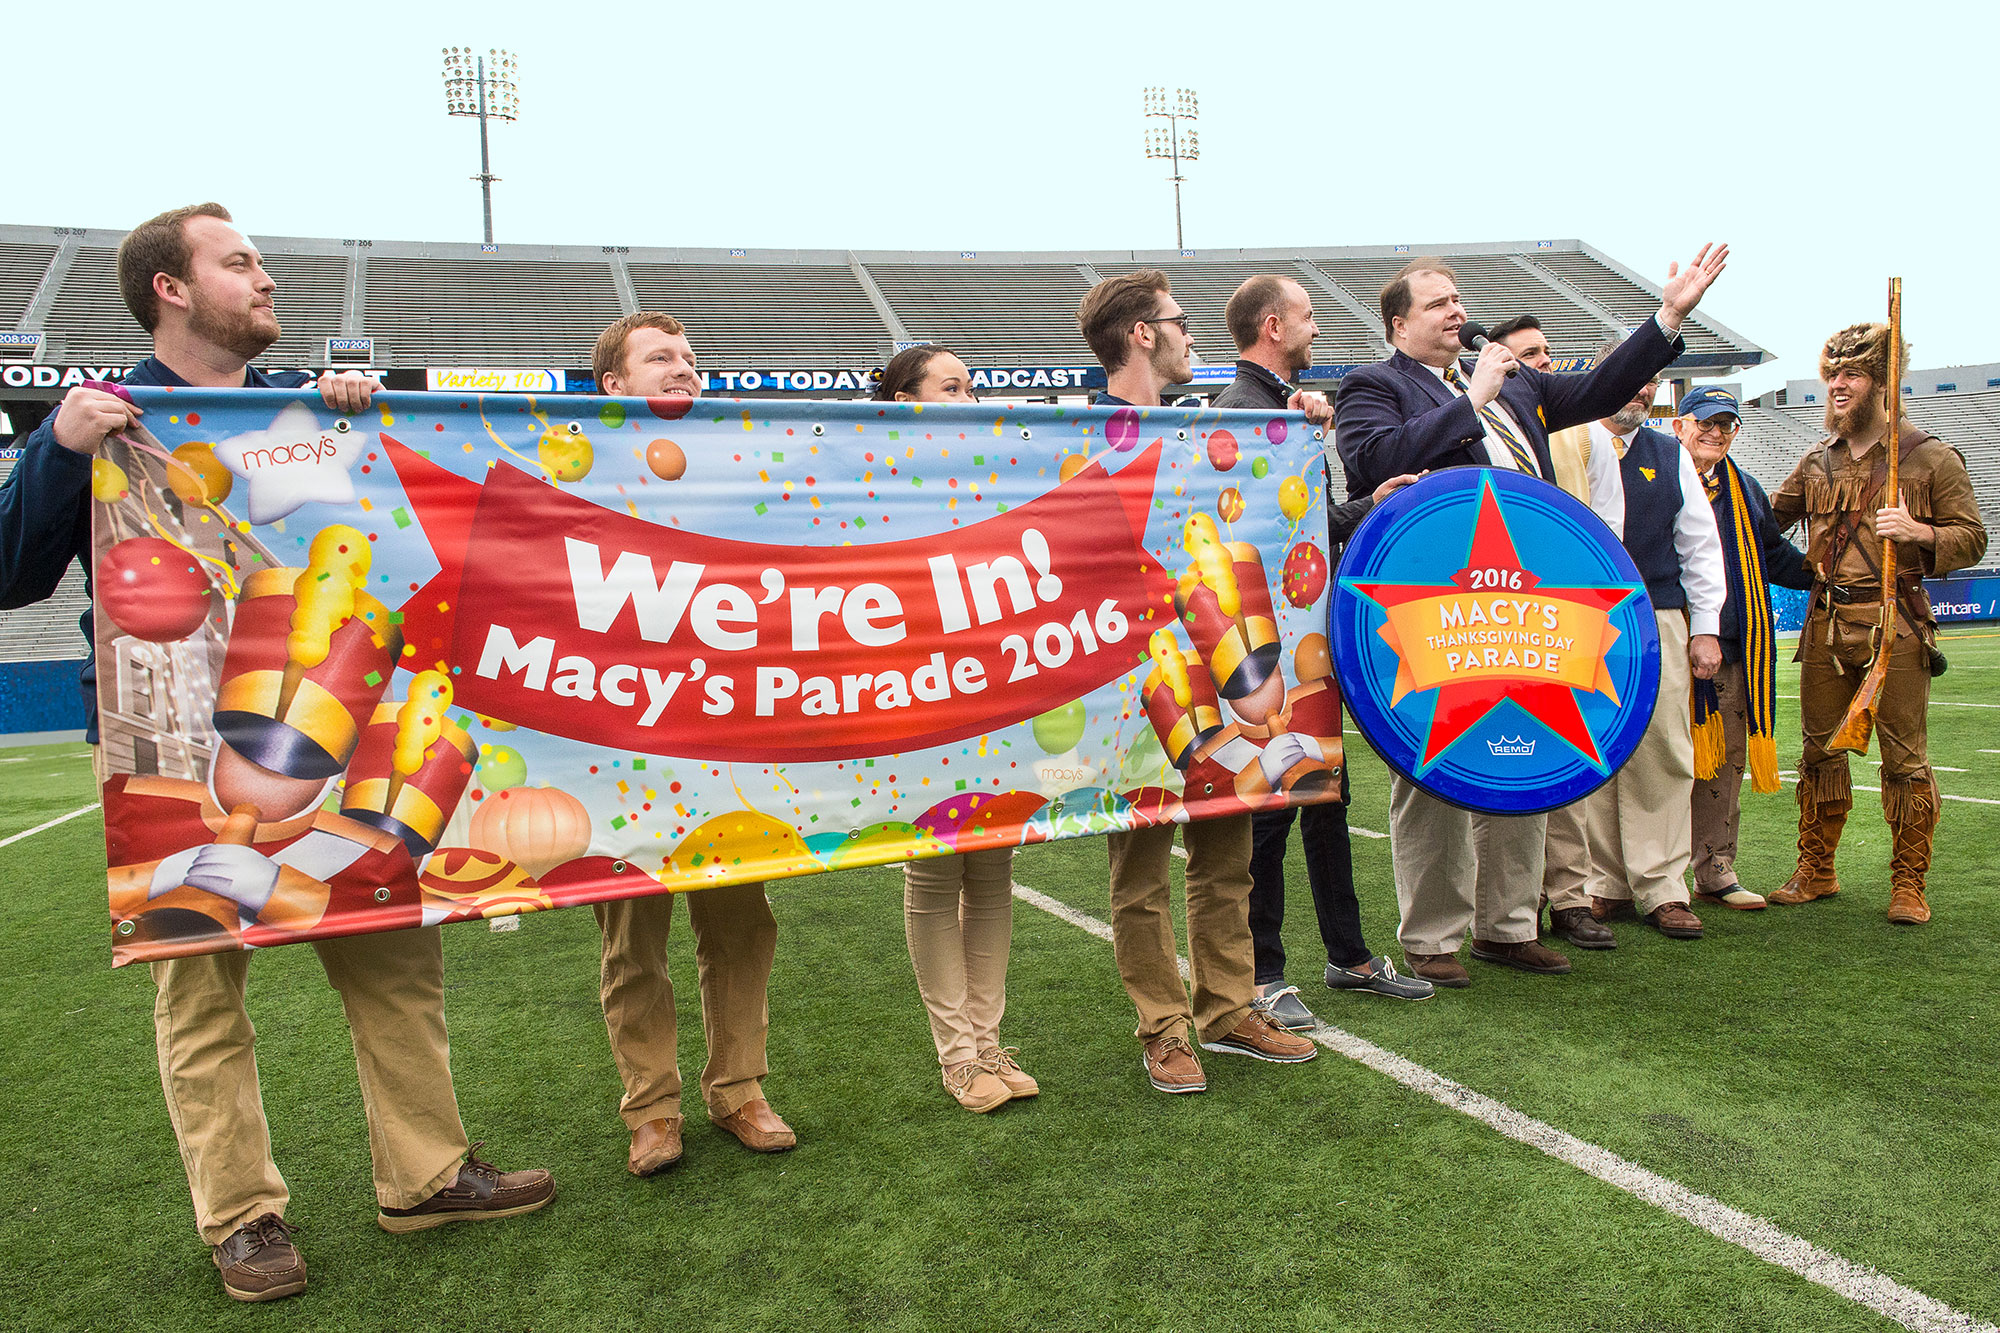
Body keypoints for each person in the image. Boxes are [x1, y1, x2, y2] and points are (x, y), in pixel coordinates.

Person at [0, 202, 552, 1304]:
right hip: (168, 747)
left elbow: (396, 552)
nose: (264, 278)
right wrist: (60, 454)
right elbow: (10, 570)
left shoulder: (309, 411)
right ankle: (245, 1219)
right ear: (170, 286)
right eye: (238, 261)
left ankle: (427, 1175)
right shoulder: (101, 419)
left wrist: (357, 424)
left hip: (335, 723)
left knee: (393, 954)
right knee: (198, 984)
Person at [1331, 247, 1728, 986]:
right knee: (1435, 767)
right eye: (1438, 303)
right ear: (1398, 323)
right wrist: (1469, 402)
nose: (1457, 310)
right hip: (1433, 610)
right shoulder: (1373, 385)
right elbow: (1372, 459)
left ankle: (1508, 926)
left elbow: (1600, 385)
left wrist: (1667, 316)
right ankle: (1432, 936)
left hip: (1524, 604)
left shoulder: (1517, 384)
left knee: (1524, 751)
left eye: (1458, 298)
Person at [1075, 270, 1318, 1092]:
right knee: (1138, 873)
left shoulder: (1208, 430)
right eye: (1179, 321)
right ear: (1142, 333)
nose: (1192, 335)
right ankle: (1163, 1027)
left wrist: (1300, 435)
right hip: (1130, 683)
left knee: (1228, 851)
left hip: (1215, 664)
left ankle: (1227, 1008)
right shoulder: (1070, 438)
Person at [589, 312, 794, 1171]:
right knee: (633, 938)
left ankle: (738, 1087)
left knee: (742, 927)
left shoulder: (730, 466)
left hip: (726, 743)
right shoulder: (572, 466)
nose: (684, 370)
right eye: (662, 358)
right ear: (613, 385)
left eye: (693, 360)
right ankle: (652, 1108)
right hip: (618, 742)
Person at [1213, 275, 1432, 1029]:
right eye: (1307, 317)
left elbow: (1301, 530)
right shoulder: (1243, 413)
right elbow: (1263, 538)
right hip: (1268, 648)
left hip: (1301, 637)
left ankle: (1349, 955)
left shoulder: (1276, 409)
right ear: (1274, 325)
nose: (1317, 329)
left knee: (1325, 801)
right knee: (1273, 811)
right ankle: (1263, 973)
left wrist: (1368, 506)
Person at [1767, 323, 1988, 922]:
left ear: (1882, 382)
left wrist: (1919, 534)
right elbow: (1760, 524)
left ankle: (1908, 884)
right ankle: (1817, 869)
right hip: (1826, 623)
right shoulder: (1816, 462)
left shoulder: (1930, 457)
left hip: (1896, 624)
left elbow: (1973, 538)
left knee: (1905, 759)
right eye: (1832, 375)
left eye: (1853, 375)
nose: (1838, 386)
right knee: (1817, 753)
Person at [874, 345, 1038, 1113]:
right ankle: (958, 1056)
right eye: (953, 386)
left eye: (974, 384)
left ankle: (989, 1040)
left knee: (995, 867)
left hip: (994, 691)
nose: (971, 398)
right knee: (936, 873)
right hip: (917, 696)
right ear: (905, 400)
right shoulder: (870, 480)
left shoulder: (994, 475)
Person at [1565, 356, 1726, 941]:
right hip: (1575, 620)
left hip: (1656, 616)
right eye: (1633, 377)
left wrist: (1705, 627)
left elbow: (1700, 547)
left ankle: (1662, 886)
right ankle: (1603, 884)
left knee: (1663, 747)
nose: (1643, 388)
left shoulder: (1669, 451)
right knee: (1593, 751)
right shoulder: (1565, 444)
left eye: (1652, 380)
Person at [1489, 315, 1616, 952]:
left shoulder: (1577, 427)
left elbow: (1606, 525)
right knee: (1509, 751)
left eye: (1547, 351)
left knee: (1563, 747)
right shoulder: (1487, 408)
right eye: (1528, 354)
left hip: (1563, 606)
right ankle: (1515, 907)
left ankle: (1568, 895)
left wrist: (1669, 320)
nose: (1544, 362)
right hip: (1493, 610)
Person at [1672, 387, 1814, 910]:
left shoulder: (1745, 487)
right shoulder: (1657, 475)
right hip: (1663, 641)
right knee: (1658, 763)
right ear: (1679, 425)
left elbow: (1774, 554)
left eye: (1726, 424)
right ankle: (1639, 878)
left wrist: (1827, 571)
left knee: (1726, 760)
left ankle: (1714, 868)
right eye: (1706, 422)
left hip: (1733, 647)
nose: (1715, 432)